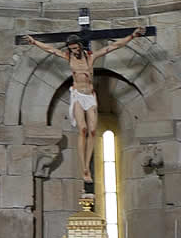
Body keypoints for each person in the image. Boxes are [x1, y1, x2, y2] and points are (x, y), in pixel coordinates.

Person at [24, 27, 147, 185]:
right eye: (71, 48)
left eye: (75, 48)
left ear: (80, 46)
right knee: (82, 130)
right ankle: (84, 168)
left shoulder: (91, 57)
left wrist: (132, 36)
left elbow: (113, 46)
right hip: (77, 96)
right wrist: (34, 42)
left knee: (93, 130)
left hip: (90, 96)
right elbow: (51, 50)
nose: (73, 51)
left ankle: (87, 163)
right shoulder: (69, 58)